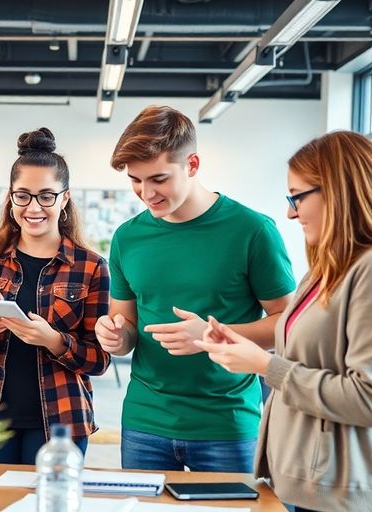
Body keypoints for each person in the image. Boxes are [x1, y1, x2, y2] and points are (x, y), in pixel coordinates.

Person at [196, 131, 372, 512]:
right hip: (321, 481)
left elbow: (368, 399)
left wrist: (264, 365)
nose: (290, 212)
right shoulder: (329, 271)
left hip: (365, 482)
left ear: (338, 191)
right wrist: (242, 347)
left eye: (297, 196)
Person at [95, 105, 295, 472]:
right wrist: (114, 335)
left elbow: (289, 325)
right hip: (144, 420)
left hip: (228, 423)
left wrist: (209, 334)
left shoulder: (253, 231)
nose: (146, 192)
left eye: (158, 178)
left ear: (192, 165)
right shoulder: (127, 237)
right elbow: (125, 329)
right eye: (136, 180)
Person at [0, 128, 110, 464]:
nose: (33, 207)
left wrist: (55, 341)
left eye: (46, 196)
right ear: (10, 197)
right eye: (23, 195)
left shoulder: (91, 266)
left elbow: (100, 360)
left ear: (65, 198)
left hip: (61, 419)